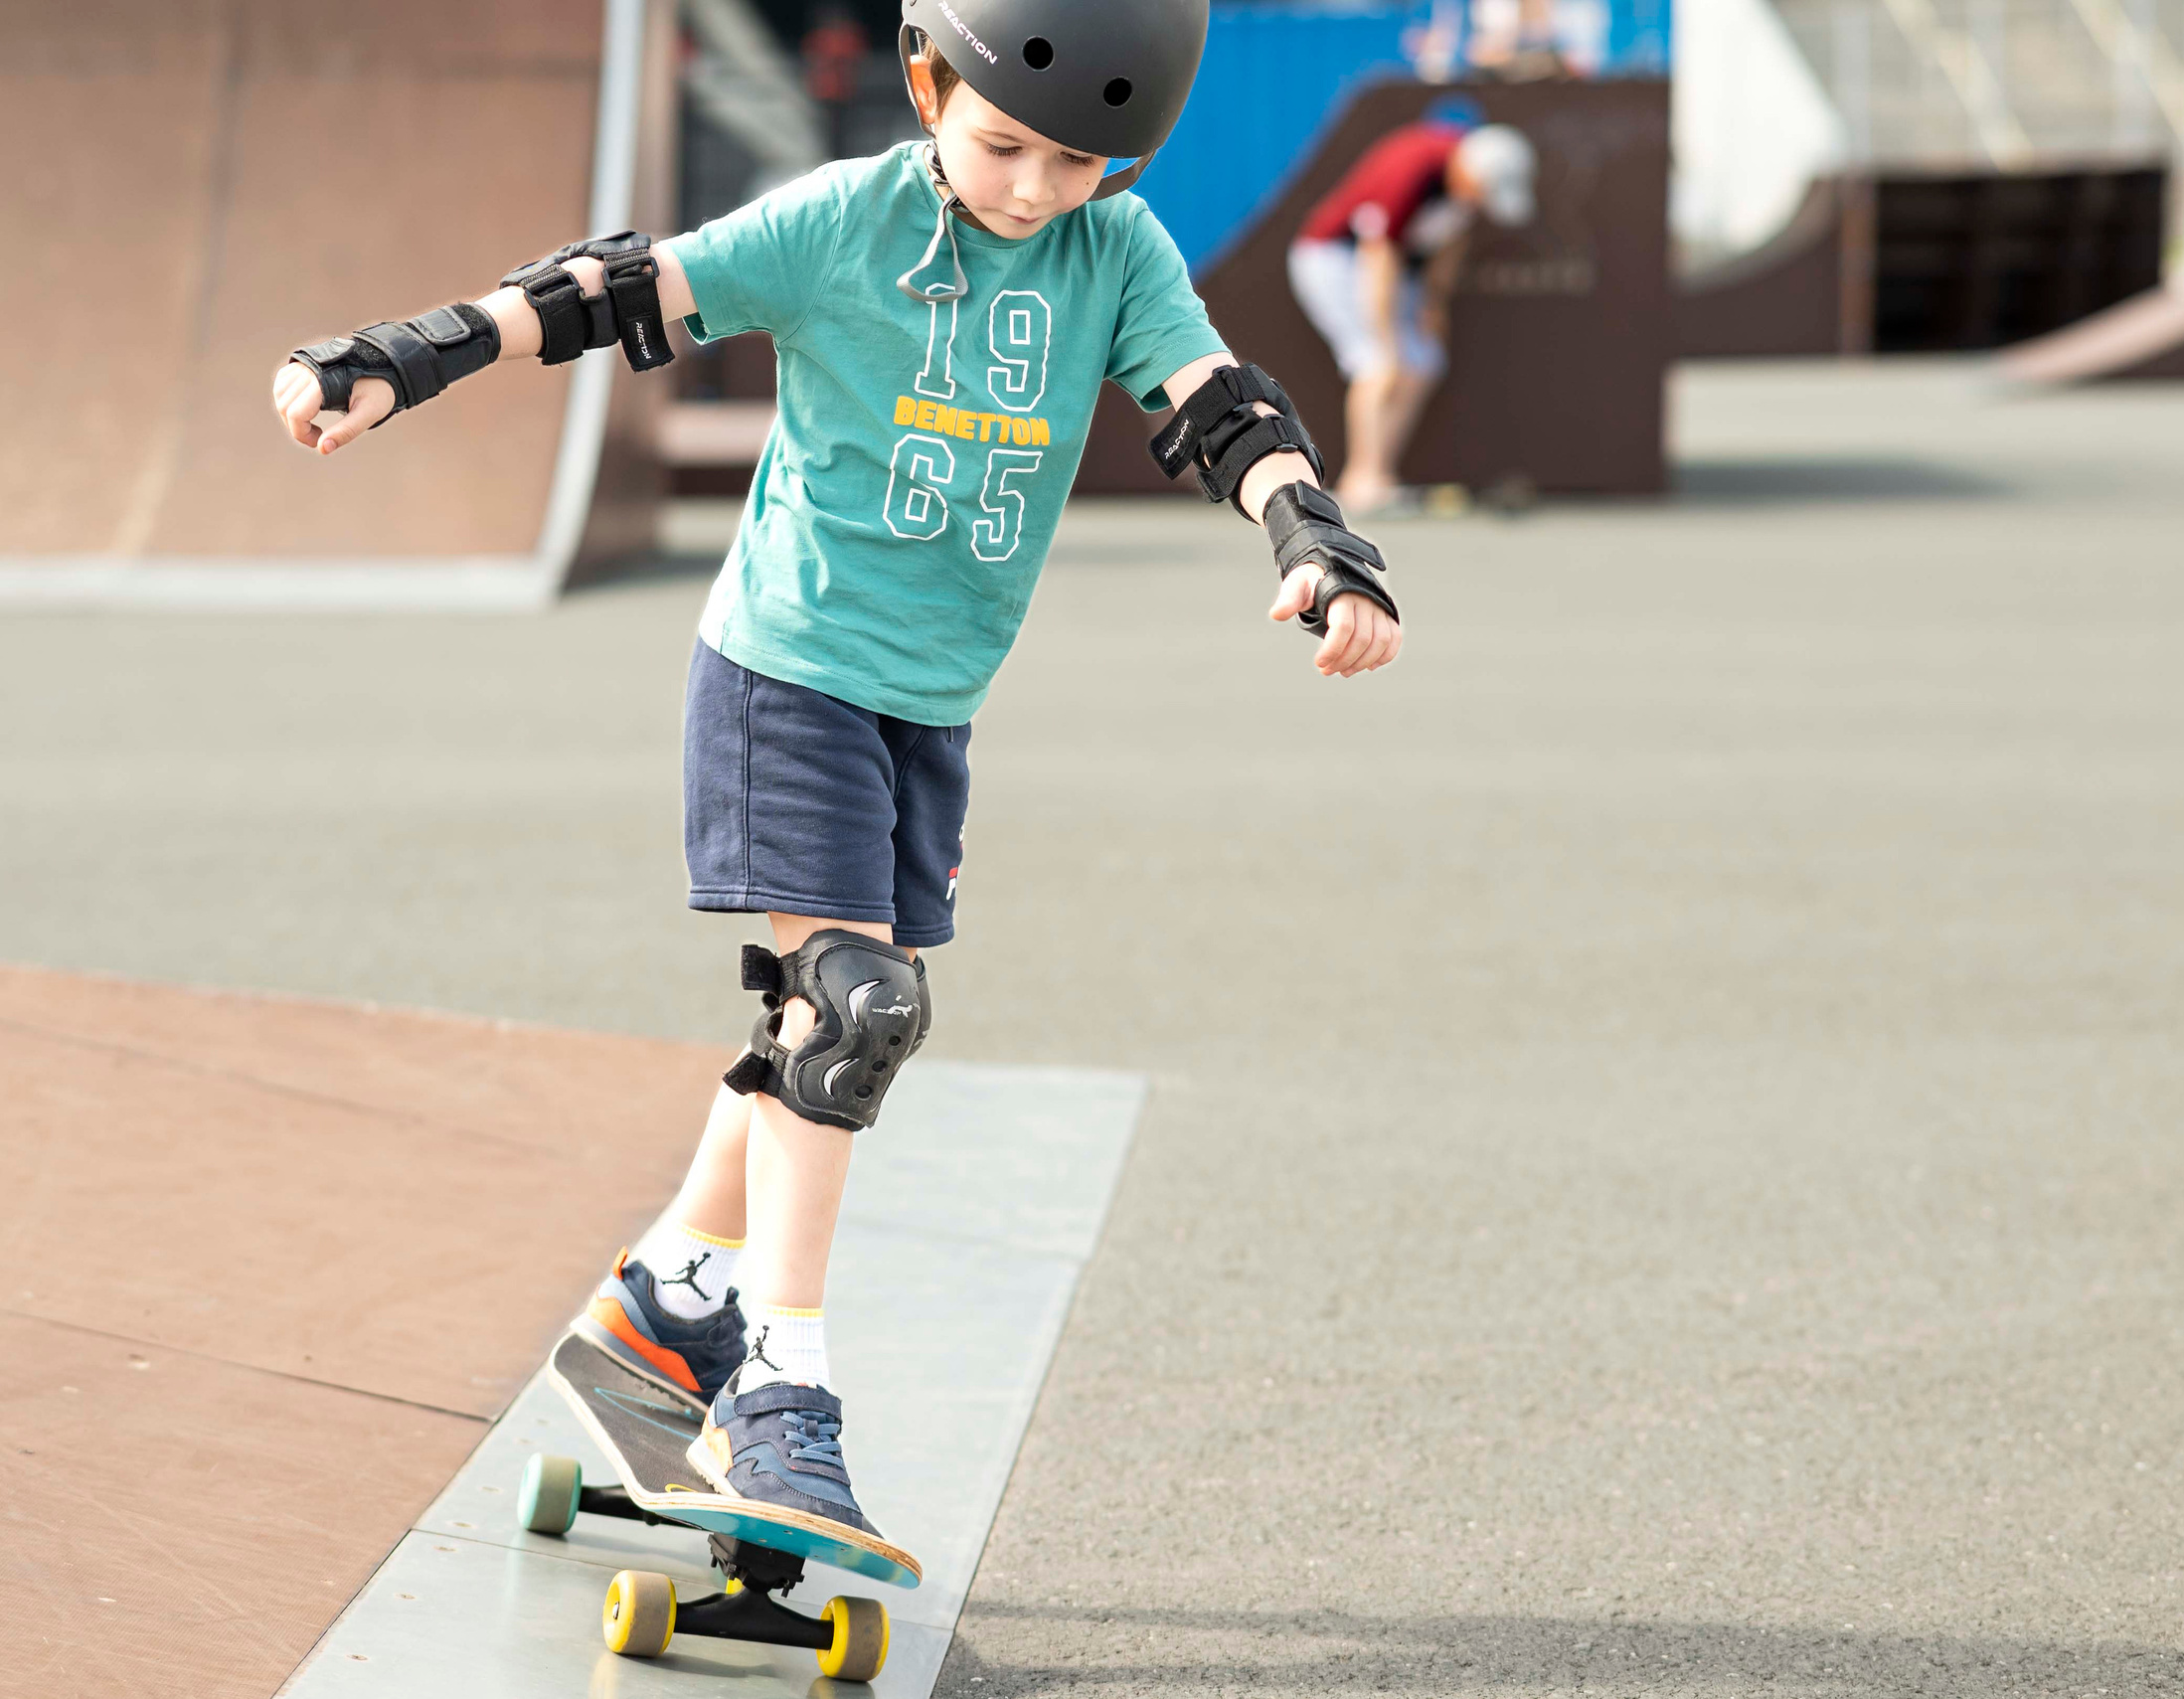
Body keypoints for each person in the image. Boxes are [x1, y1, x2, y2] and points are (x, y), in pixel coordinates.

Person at [270, 0, 1400, 1576]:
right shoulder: (843, 221)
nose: (1032, 189)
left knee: (819, 1033)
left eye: (1078, 161)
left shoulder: (1113, 250)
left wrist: (1313, 541)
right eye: (1005, 143)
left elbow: (1219, 407)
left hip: (925, 707)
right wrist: (406, 356)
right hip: (784, 669)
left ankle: (666, 1296)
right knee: (854, 1004)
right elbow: (617, 291)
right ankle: (778, 1385)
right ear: (929, 81)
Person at [1287, 116, 1537, 512]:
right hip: (1335, 258)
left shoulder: (1466, 187)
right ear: (1470, 173)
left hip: (1393, 269)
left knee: (1422, 362)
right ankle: (1360, 479)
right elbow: (1379, 256)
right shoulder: (1413, 169)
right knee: (1379, 362)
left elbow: (1450, 244)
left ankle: (1380, 474)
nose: (1481, 204)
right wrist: (1385, 334)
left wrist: (1433, 304)